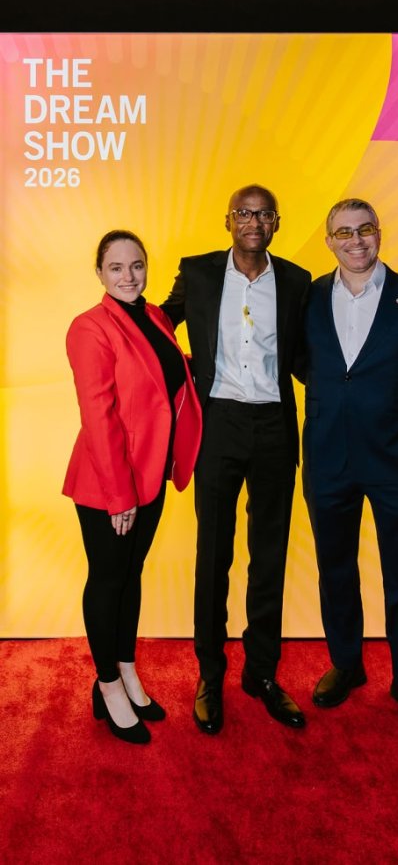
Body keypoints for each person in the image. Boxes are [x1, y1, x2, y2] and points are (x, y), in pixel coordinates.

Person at [302, 199, 398, 740]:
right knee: (336, 570)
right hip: (327, 461)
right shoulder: (308, 298)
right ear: (329, 241)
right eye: (343, 232)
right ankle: (347, 664)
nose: (355, 240)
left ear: (379, 234)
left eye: (365, 229)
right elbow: (305, 366)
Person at [162, 184, 312, 734]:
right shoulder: (199, 273)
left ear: (276, 223)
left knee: (269, 554)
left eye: (263, 214)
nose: (253, 222)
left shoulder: (297, 282)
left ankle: (263, 674)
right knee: (213, 554)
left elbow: (305, 357)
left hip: (274, 426)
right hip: (218, 424)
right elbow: (158, 327)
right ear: (229, 220)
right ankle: (209, 673)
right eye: (243, 213)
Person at [63, 230, 202, 744]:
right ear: (99, 272)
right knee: (107, 579)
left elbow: (168, 381)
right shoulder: (89, 328)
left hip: (152, 474)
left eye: (137, 265)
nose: (128, 276)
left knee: (131, 574)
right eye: (117, 267)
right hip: (108, 481)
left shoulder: (156, 317)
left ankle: (125, 670)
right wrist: (119, 496)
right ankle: (106, 685)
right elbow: (99, 418)